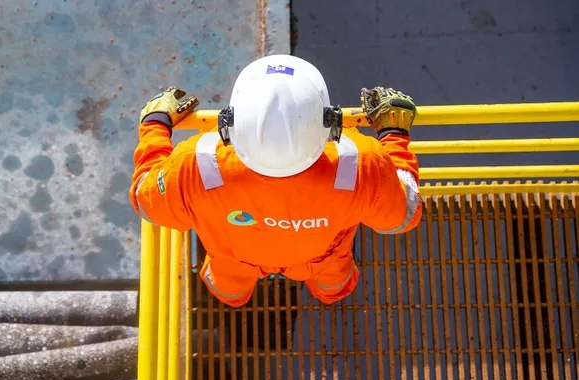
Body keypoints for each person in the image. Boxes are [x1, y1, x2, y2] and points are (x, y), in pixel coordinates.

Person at [129, 54, 422, 308]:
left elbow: (147, 200)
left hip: (233, 258)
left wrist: (155, 122)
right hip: (321, 257)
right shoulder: (361, 164)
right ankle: (330, 295)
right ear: (329, 123)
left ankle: (232, 298)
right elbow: (402, 217)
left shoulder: (194, 165)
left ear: (229, 122)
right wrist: (393, 136)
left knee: (227, 286)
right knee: (334, 282)